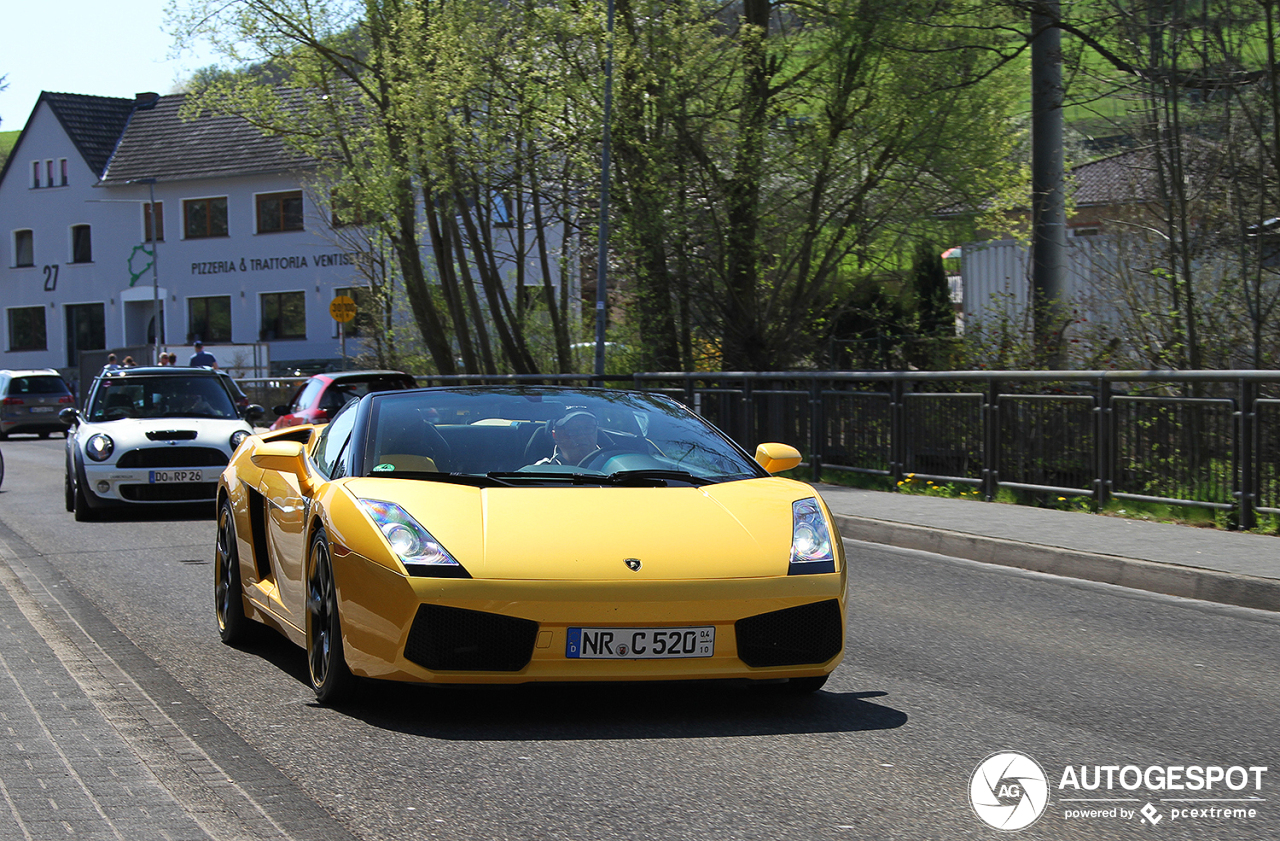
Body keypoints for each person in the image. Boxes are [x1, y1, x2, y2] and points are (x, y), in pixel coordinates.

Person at [535, 410, 600, 466]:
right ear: (555, 435)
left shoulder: (609, 468)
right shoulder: (540, 472)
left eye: (588, 428)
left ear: (596, 431)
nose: (581, 436)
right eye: (572, 430)